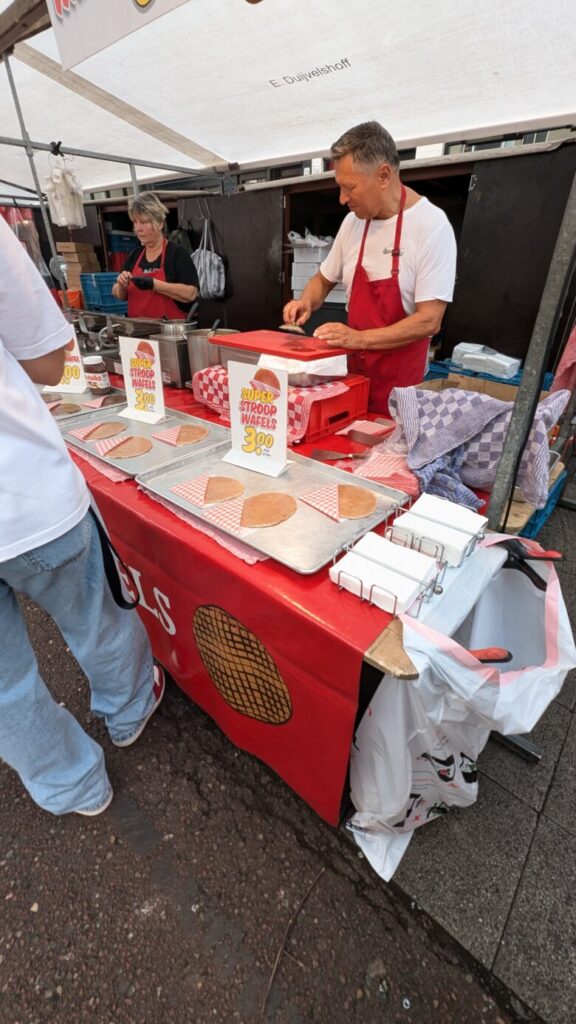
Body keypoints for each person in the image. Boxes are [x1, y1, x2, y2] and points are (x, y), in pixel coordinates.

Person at [0, 213, 164, 817]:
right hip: (25, 493)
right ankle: (128, 711)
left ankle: (72, 786)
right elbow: (48, 363)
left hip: (24, 497)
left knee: (2, 690)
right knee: (94, 618)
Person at [283, 121, 457, 414]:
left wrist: (359, 338)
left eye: (349, 187)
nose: (342, 199)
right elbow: (324, 279)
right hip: (352, 379)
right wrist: (305, 301)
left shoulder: (431, 226)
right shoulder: (353, 223)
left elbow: (429, 320)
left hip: (401, 391)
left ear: (383, 175)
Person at [112, 192, 199, 320]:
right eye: (135, 222)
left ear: (159, 224)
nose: (138, 228)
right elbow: (117, 293)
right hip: (137, 333)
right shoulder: (134, 255)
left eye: (143, 222)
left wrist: (154, 285)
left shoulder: (177, 253)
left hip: (169, 333)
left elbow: (191, 293)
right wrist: (121, 285)